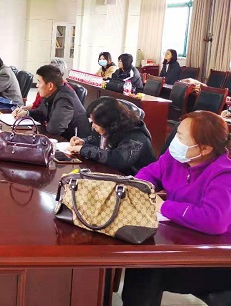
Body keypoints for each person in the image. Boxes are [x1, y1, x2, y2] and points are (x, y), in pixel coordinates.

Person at [122, 111, 231, 306]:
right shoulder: (174, 159)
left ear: (205, 148)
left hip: (216, 258)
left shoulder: (223, 175)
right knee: (140, 261)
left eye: (180, 136)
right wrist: (144, 189)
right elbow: (147, 175)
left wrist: (164, 207)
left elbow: (214, 220)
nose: (174, 141)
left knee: (148, 269)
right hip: (180, 241)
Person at [68, 97, 156, 175]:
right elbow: (97, 140)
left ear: (109, 122)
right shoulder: (110, 129)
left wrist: (84, 149)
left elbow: (118, 160)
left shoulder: (137, 138)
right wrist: (83, 142)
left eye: (96, 123)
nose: (93, 126)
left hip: (136, 181)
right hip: (110, 175)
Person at [14, 64, 90, 139]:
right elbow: (41, 112)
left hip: (74, 142)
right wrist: (26, 113)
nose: (37, 85)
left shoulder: (65, 99)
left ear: (50, 86)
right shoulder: (51, 93)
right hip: (60, 138)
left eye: (39, 82)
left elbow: (54, 129)